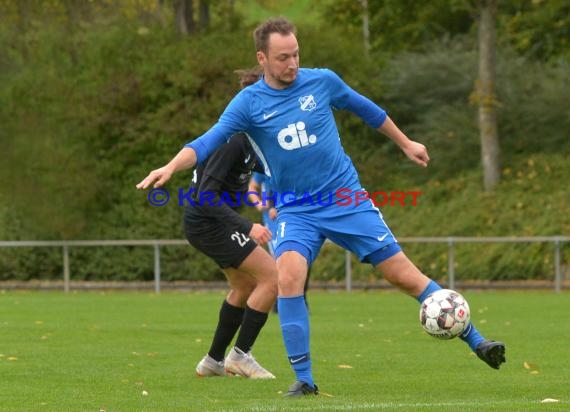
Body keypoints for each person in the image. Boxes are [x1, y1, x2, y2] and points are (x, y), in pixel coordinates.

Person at [137, 17, 506, 396]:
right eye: (283, 57)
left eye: (296, 54)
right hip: (296, 209)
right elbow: (207, 141)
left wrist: (405, 142)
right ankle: (305, 380)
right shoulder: (248, 103)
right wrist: (169, 166)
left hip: (346, 198)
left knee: (404, 276)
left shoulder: (322, 81)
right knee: (289, 276)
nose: (292, 64)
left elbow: (367, 110)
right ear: (262, 58)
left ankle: (478, 341)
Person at [185, 67, 277, 379]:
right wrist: (246, 226)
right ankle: (240, 356)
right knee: (273, 278)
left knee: (244, 284)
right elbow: (205, 197)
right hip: (207, 222)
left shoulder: (252, 138)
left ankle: (212, 362)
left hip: (212, 222)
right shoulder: (234, 140)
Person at [247, 172, 310, 313]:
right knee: (279, 260)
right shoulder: (262, 166)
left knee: (300, 257)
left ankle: (299, 299)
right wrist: (260, 204)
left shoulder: (289, 163)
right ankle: (280, 301)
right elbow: (252, 187)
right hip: (273, 222)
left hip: (291, 216)